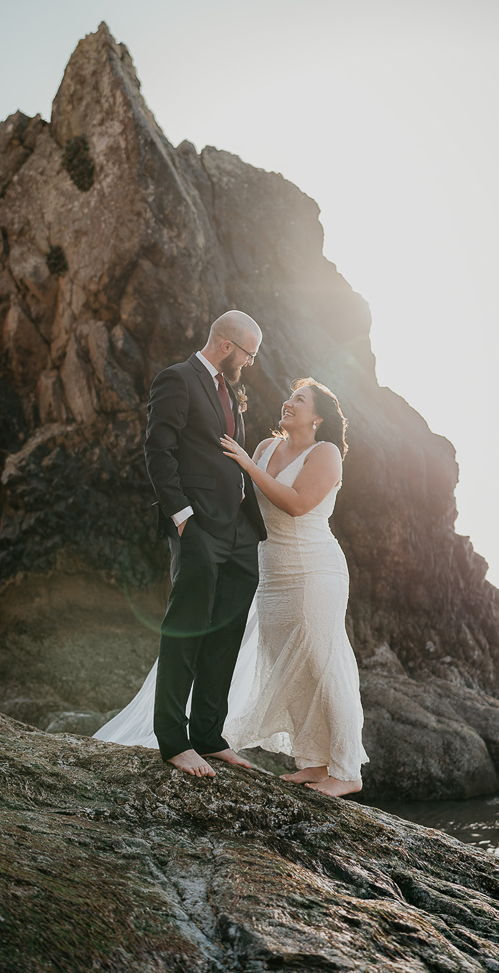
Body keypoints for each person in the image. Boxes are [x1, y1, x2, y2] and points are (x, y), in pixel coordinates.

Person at [94, 311, 266, 778]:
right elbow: (158, 449)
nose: (249, 363)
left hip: (240, 534)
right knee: (186, 628)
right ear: (228, 345)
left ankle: (209, 737)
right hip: (198, 529)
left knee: (225, 636)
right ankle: (174, 739)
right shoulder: (177, 379)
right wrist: (183, 518)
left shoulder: (230, 391)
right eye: (249, 353)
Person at [221, 378, 368, 796]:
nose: (289, 402)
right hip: (271, 570)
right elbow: (245, 499)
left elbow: (297, 503)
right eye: (290, 396)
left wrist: (247, 466)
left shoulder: (326, 453)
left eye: (300, 399)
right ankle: (314, 762)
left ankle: (346, 770)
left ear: (318, 416)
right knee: (292, 664)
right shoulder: (266, 448)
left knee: (323, 662)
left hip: (314, 569)